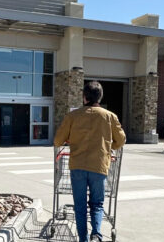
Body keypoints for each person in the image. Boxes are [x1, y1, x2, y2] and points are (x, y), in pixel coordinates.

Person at [54, 81, 126, 242]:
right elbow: (121, 140)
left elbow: (58, 140)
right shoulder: (110, 116)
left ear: (84, 97)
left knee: (80, 207)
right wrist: (108, 146)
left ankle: (83, 239)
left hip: (77, 166)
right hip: (99, 166)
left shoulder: (72, 116)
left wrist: (70, 140)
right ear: (100, 97)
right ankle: (97, 234)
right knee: (97, 204)